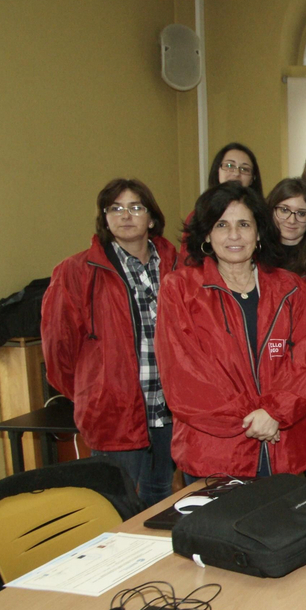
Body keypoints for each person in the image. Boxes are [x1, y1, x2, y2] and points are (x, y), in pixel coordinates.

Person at [157, 184, 306, 481]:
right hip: (213, 453)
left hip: (283, 447)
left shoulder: (292, 289)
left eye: (244, 224)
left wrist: (274, 414)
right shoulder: (179, 290)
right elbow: (184, 377)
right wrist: (253, 419)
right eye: (222, 225)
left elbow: (305, 366)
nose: (234, 235)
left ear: (259, 232)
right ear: (207, 234)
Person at [43, 178, 180, 506]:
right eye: (115, 208)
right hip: (114, 413)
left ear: (151, 217)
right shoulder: (76, 272)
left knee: (160, 498)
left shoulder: (177, 265)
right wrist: (94, 392)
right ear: (104, 218)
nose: (126, 215)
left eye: (135, 207)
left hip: (171, 411)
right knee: (113, 505)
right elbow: (57, 350)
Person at [265, 177, 306, 278]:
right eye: (284, 210)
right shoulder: (256, 253)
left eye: (301, 213)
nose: (291, 220)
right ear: (271, 210)